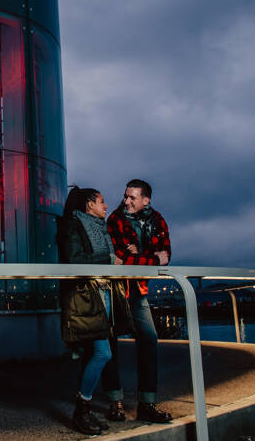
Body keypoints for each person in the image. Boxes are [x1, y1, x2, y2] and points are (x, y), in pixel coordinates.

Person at [58, 186, 134, 435]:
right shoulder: (73, 225)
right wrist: (109, 260)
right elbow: (74, 260)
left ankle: (84, 412)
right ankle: (81, 412)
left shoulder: (98, 228)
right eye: (101, 201)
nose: (105, 206)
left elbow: (98, 257)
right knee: (102, 353)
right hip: (87, 296)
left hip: (101, 295)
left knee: (97, 353)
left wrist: (115, 258)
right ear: (89, 204)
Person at [103, 179, 173, 423]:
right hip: (115, 289)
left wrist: (138, 255)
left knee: (149, 338)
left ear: (146, 200)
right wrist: (151, 258)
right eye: (125, 196)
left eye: (132, 197)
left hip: (138, 290)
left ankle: (147, 403)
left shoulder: (158, 220)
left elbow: (167, 256)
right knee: (109, 342)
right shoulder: (115, 219)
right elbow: (120, 259)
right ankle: (115, 402)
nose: (126, 201)